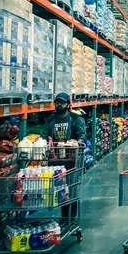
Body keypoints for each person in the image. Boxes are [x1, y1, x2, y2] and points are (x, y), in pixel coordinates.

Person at [40, 92, 86, 225]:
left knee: (72, 189)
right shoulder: (50, 121)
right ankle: (64, 217)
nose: (59, 104)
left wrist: (78, 142)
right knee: (61, 189)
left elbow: (82, 135)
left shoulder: (76, 119)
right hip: (56, 160)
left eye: (62, 102)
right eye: (57, 102)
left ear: (68, 104)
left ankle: (71, 218)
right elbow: (43, 135)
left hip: (71, 160)